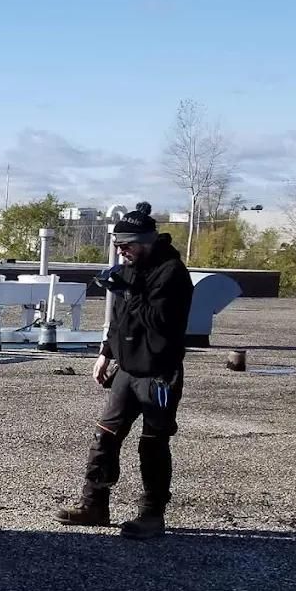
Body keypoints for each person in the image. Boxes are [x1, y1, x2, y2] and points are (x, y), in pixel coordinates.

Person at [56, 202, 194, 539]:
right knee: (105, 436)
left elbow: (160, 323)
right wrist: (105, 353)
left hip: (158, 372)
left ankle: (151, 514)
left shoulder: (172, 273)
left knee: (153, 444)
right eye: (118, 247)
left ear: (146, 242)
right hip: (127, 370)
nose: (121, 253)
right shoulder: (129, 269)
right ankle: (95, 505)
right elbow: (119, 320)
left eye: (126, 246)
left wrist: (132, 291)